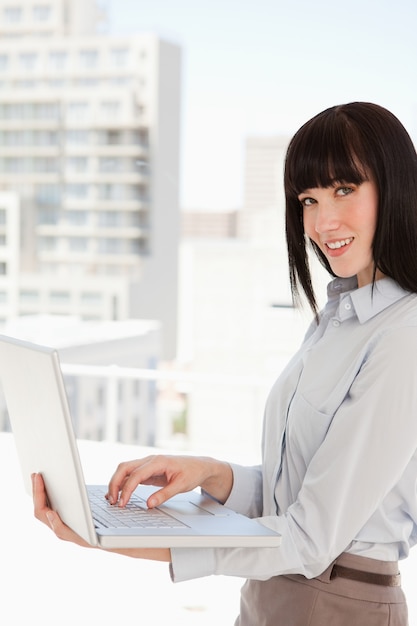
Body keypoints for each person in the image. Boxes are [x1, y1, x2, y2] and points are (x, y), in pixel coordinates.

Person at [32, 101, 417, 625]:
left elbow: (309, 538)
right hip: (273, 595)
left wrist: (120, 540)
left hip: (338, 603)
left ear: (394, 187)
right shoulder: (338, 316)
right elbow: (298, 492)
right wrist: (210, 474)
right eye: (308, 199)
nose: (323, 221)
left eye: (344, 189)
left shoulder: (403, 333)